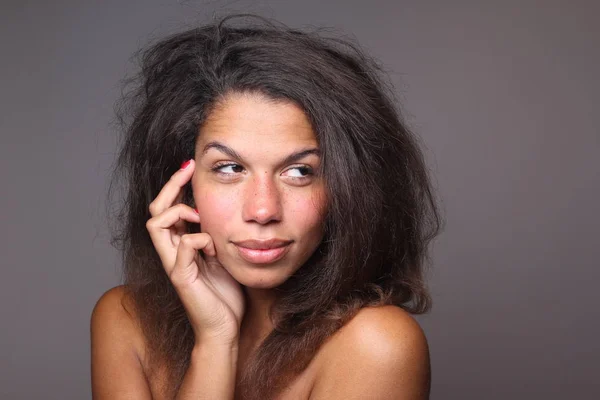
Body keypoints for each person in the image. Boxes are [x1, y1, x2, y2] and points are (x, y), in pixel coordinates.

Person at [91, 13, 442, 400]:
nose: (262, 210)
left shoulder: (376, 344)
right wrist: (215, 342)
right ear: (182, 187)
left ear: (349, 189)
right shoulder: (125, 320)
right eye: (229, 168)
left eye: (299, 171)